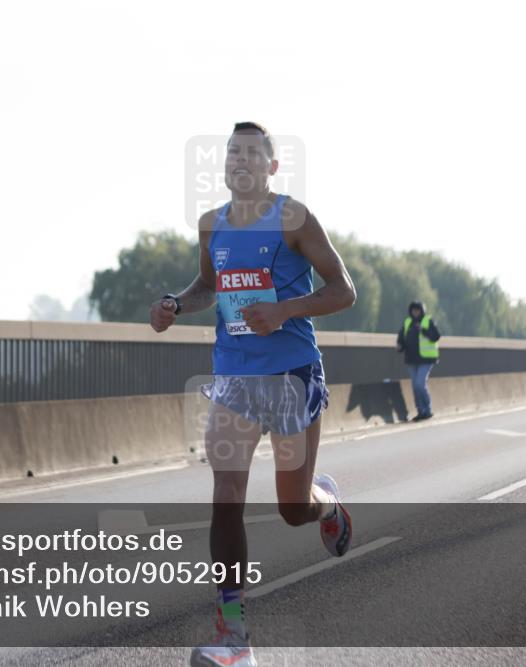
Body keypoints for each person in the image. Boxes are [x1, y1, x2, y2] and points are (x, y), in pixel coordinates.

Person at [150, 122, 356, 667]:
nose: (239, 161)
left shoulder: (294, 218)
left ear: (271, 166)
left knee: (293, 509)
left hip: (291, 374)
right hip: (235, 378)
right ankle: (233, 635)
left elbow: (344, 289)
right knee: (226, 497)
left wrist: (284, 311)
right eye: (231, 153)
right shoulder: (211, 225)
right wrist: (175, 303)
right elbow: (207, 288)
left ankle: (326, 501)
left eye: (251, 154)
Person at [396, 300, 441, 421]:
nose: (415, 312)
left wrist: (423, 330)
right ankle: (420, 411)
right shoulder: (408, 322)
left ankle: (428, 409)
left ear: (422, 311)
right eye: (413, 310)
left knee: (420, 384)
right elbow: (402, 338)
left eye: (417, 310)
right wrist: (400, 346)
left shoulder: (428, 321)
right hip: (411, 359)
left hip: (426, 359)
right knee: (415, 386)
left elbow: (436, 336)